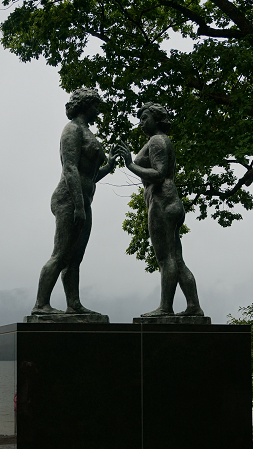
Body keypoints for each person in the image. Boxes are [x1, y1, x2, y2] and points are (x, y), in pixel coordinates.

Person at [31, 87, 118, 315]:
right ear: (85, 106)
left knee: (75, 258)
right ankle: (41, 304)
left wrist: (109, 165)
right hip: (68, 200)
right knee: (61, 254)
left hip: (84, 201)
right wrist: (78, 205)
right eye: (95, 106)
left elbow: (90, 176)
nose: (97, 111)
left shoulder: (86, 131)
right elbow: (69, 168)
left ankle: (74, 304)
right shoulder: (72, 129)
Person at [117, 103, 204, 317]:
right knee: (176, 258)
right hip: (169, 201)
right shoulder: (159, 140)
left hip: (162, 202)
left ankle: (165, 308)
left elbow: (159, 174)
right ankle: (193, 306)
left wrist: (130, 165)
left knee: (166, 259)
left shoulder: (157, 140)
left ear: (157, 119)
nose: (141, 123)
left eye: (145, 118)